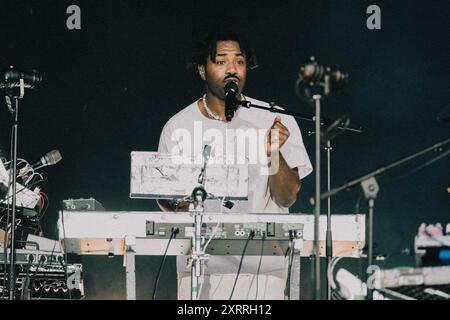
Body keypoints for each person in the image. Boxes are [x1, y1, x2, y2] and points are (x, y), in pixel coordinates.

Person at [157, 31, 312, 300]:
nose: (232, 69)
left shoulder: (273, 119)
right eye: (221, 61)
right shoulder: (178, 127)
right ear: (202, 70)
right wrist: (178, 205)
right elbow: (162, 195)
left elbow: (287, 197)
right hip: (200, 268)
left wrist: (272, 154)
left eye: (239, 62)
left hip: (265, 269)